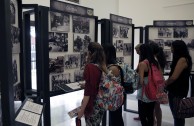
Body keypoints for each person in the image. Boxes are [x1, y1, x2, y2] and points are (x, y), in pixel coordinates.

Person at [77, 42, 106, 125]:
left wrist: (82, 110)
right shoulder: (101, 65)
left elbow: (88, 92)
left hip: (92, 104)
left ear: (89, 52)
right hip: (100, 103)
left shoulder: (90, 67)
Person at [165, 40, 192, 126]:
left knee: (178, 115)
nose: (171, 49)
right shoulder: (182, 58)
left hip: (177, 90)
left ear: (177, 48)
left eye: (172, 47)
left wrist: (164, 84)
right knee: (178, 114)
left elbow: (174, 77)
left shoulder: (182, 59)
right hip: (177, 89)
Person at [102, 44, 124, 126]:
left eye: (102, 52)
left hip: (115, 97)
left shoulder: (113, 68)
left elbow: (106, 82)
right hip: (114, 97)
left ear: (107, 53)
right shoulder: (110, 66)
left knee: (116, 119)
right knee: (114, 118)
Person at [137, 44, 158, 126]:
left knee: (142, 115)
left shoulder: (143, 63)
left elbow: (141, 81)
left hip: (145, 92)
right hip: (153, 90)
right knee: (150, 114)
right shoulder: (154, 62)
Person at [149, 42, 166, 126]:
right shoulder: (159, 58)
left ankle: (155, 122)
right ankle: (157, 123)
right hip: (159, 84)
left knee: (153, 107)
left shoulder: (153, 60)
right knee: (157, 106)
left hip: (154, 85)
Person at [133, 43, 142, 121]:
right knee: (139, 98)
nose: (136, 52)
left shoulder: (144, 59)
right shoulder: (141, 57)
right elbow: (138, 68)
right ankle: (141, 115)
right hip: (140, 80)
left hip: (142, 82)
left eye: (137, 50)